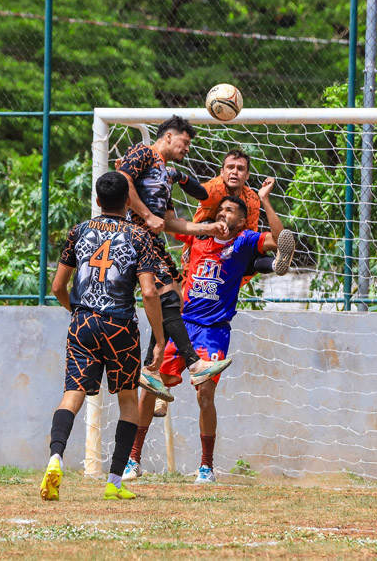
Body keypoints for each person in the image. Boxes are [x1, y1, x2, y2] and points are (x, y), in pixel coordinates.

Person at [124, 178, 294, 484]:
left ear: (242, 221)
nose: (223, 213)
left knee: (205, 393)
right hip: (182, 325)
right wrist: (167, 186)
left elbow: (282, 239)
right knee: (150, 386)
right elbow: (171, 224)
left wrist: (265, 201)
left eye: (229, 210)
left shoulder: (244, 240)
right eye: (221, 209)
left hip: (213, 329)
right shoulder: (198, 239)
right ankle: (133, 460)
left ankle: (206, 466)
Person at [39, 171, 166, 502]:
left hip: (82, 323)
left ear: (97, 200)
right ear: (128, 201)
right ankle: (114, 481)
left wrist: (79, 313)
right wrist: (160, 339)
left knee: (72, 395)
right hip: (121, 326)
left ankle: (55, 458)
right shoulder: (139, 237)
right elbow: (150, 293)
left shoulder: (78, 232)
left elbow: (56, 287)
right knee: (126, 401)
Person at [115, 115, 232, 398]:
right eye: (185, 141)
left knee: (173, 299)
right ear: (169, 136)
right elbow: (122, 180)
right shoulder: (143, 152)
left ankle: (150, 369)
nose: (188, 148)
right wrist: (144, 214)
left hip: (150, 239)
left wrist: (208, 227)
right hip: (132, 235)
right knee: (167, 297)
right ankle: (193, 364)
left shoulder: (165, 174)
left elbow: (169, 221)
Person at [190, 148, 293, 277]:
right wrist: (181, 178)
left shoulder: (252, 199)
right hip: (201, 252)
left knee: (253, 243)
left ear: (247, 175)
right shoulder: (214, 188)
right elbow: (196, 190)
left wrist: (264, 198)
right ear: (222, 172)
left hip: (230, 254)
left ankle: (277, 263)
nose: (234, 172)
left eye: (240, 168)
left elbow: (250, 238)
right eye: (230, 167)